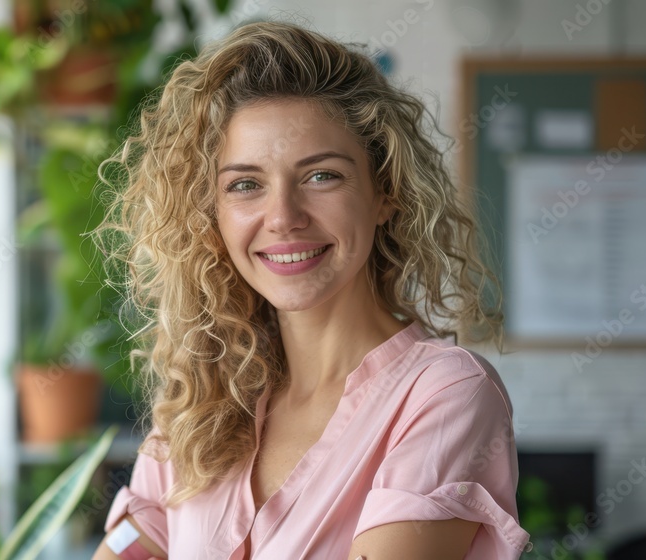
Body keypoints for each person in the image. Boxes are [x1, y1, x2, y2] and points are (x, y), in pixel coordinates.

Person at [89, 19, 531, 560]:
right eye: (245, 185)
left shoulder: (443, 395)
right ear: (214, 215)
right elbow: (130, 544)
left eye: (321, 176)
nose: (283, 218)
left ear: (385, 191)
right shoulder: (197, 404)